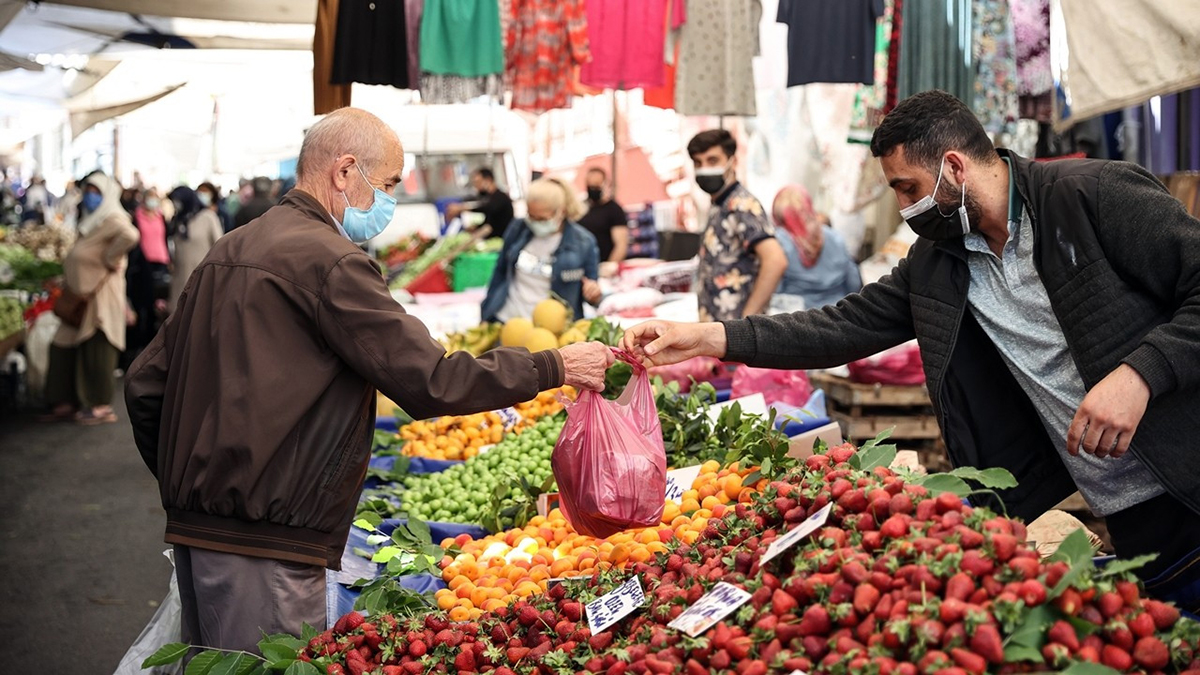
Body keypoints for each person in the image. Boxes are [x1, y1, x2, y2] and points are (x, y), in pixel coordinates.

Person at [623, 90, 1200, 608]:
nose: (904, 207)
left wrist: (1139, 375)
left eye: (908, 188)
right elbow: (840, 327)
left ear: (954, 166)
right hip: (1126, 510)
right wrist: (710, 337)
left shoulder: (1093, 194)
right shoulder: (939, 262)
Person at [124, 108, 614, 654]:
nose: (389, 202)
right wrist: (555, 365)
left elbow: (145, 383)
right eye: (386, 185)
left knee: (214, 663)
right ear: (344, 172)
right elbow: (432, 380)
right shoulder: (333, 262)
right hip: (269, 537)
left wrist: (190, 481)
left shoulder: (229, 249)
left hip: (202, 529)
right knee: (267, 664)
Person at [43, 171, 139, 424]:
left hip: (100, 296)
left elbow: (131, 235)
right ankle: (65, 401)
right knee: (64, 344)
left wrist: (110, 258)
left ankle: (99, 405)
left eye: (97, 192)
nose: (90, 196)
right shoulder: (92, 220)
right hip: (79, 295)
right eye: (88, 191)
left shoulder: (113, 218)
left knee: (97, 347)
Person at [687, 129, 787, 321]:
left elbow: (775, 261)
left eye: (713, 160)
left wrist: (746, 321)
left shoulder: (742, 205)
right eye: (698, 163)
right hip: (718, 332)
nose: (704, 168)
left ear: (733, 161)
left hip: (737, 338)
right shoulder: (719, 204)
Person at [481, 178, 603, 323]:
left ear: (561, 212)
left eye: (542, 219)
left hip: (553, 328)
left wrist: (593, 293)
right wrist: (487, 311)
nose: (535, 223)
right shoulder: (518, 229)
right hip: (508, 319)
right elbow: (500, 270)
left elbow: (592, 290)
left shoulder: (583, 243)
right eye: (531, 216)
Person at [771, 184, 862, 310]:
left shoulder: (780, 242)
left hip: (799, 318)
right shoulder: (835, 237)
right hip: (838, 313)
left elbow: (774, 290)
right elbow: (854, 283)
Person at [126, 188, 171, 361]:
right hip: (143, 266)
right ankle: (137, 345)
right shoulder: (136, 217)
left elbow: (165, 239)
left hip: (161, 263)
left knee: (158, 305)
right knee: (142, 303)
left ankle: (153, 344)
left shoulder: (161, 217)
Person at [168, 186, 223, 312]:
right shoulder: (178, 220)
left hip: (202, 279)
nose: (176, 205)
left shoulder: (208, 217)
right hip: (180, 279)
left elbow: (219, 244)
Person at [578, 167, 629, 265]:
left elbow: (621, 245)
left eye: (596, 185)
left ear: (605, 184)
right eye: (590, 185)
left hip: (604, 265)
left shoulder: (614, 209)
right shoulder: (580, 208)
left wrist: (609, 266)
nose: (593, 189)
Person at [446, 167, 515, 238]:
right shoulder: (489, 198)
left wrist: (462, 208)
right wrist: (476, 228)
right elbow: (491, 221)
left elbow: (487, 208)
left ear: (488, 180)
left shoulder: (500, 197)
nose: (476, 187)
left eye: (478, 182)